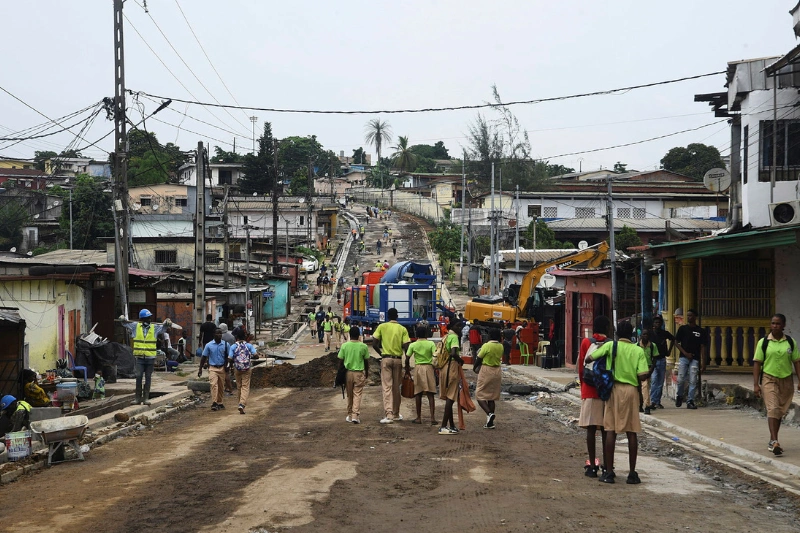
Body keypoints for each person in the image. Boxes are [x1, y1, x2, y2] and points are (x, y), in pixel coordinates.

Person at [586, 320, 648, 485]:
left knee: (611, 430)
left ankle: (609, 472)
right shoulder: (638, 350)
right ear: (632, 334)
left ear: (617, 334)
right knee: (632, 431)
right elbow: (643, 375)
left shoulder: (610, 346)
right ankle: (632, 473)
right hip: (631, 391)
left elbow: (589, 359)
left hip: (613, 389)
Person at [753, 313, 800, 456]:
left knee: (779, 411)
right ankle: (774, 441)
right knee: (772, 408)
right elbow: (757, 363)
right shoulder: (764, 342)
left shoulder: (790, 342)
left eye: (778, 324)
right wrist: (756, 384)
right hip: (769, 379)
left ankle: (772, 440)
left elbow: (796, 361)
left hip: (786, 380)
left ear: (784, 325)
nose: (775, 326)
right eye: (773, 323)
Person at [577, 315, 609, 477]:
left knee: (591, 429)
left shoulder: (586, 343)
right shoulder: (611, 344)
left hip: (589, 390)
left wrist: (583, 386)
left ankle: (592, 466)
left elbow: (581, 367)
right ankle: (606, 465)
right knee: (605, 430)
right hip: (605, 392)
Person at [372, 308, 411, 424]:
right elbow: (406, 346)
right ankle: (396, 413)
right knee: (396, 387)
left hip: (386, 359)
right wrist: (407, 361)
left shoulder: (382, 327)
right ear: (397, 316)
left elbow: (374, 343)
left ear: (388, 316)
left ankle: (388, 415)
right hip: (398, 360)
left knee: (387, 387)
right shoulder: (402, 329)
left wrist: (381, 354)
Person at [124, 309, 169, 405]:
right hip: (140, 357)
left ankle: (145, 398)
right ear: (143, 319)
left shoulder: (155, 327)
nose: (150, 319)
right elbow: (125, 324)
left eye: (150, 317)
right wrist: (122, 319)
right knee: (139, 376)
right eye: (148, 317)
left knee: (148, 377)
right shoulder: (135, 326)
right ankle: (137, 398)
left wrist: (167, 323)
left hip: (150, 357)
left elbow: (164, 328)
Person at [675, 309, 708, 410]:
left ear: (695, 317)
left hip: (695, 358)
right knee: (680, 379)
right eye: (687, 315)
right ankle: (679, 395)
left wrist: (703, 362)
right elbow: (676, 342)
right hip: (684, 357)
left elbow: (702, 347)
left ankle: (690, 400)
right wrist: (685, 353)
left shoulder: (700, 331)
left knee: (693, 380)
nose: (689, 317)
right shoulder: (683, 329)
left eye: (691, 315)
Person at [405, 325, 437, 426]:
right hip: (429, 368)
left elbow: (407, 358)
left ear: (416, 334)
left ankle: (419, 417)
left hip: (418, 368)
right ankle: (432, 417)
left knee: (418, 393)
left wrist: (407, 369)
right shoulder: (431, 343)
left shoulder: (413, 345)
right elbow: (435, 355)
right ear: (426, 334)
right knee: (430, 393)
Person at [339, 327, 370, 424]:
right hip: (359, 373)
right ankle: (355, 415)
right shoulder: (363, 346)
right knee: (357, 394)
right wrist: (367, 371)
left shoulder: (344, 346)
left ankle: (349, 414)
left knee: (349, 394)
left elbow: (340, 360)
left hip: (347, 373)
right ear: (358, 335)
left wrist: (339, 373)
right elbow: (366, 361)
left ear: (350, 334)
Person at [438, 321, 463, 435]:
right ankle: (443, 426)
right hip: (451, 367)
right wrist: (460, 360)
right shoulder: (454, 337)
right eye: (458, 326)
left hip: (444, 367)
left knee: (449, 396)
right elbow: (453, 353)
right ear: (452, 326)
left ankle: (451, 425)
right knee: (451, 397)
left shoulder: (446, 336)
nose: (460, 328)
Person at [476, 328, 504, 429]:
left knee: (479, 395)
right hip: (497, 371)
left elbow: (479, 357)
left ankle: (489, 414)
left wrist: (475, 367)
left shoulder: (486, 345)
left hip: (486, 370)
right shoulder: (501, 346)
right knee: (491, 397)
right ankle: (490, 422)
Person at [200, 328, 230, 411]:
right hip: (213, 368)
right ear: (214, 334)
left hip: (222, 368)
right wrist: (200, 369)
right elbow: (204, 357)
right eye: (217, 333)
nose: (219, 335)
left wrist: (228, 366)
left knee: (221, 386)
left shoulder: (225, 345)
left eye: (220, 333)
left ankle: (220, 402)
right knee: (214, 385)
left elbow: (229, 357)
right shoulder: (209, 345)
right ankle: (214, 402)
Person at [229, 328, 256, 415]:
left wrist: (232, 365)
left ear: (236, 337)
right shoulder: (249, 346)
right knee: (245, 386)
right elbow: (256, 355)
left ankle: (240, 404)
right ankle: (242, 404)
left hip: (237, 368)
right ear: (244, 337)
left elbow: (229, 358)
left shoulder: (233, 346)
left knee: (239, 386)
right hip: (247, 368)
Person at [649, 315, 674, 409]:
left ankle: (657, 401)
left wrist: (669, 351)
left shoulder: (664, 333)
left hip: (662, 359)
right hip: (653, 360)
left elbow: (673, 339)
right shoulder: (650, 334)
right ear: (653, 324)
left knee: (660, 382)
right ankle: (652, 401)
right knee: (654, 380)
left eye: (659, 322)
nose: (657, 324)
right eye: (656, 322)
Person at [638, 328, 656, 415]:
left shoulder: (652, 346)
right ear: (641, 335)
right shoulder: (636, 346)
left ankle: (647, 405)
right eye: (644, 334)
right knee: (638, 388)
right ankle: (640, 404)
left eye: (647, 335)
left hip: (647, 368)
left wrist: (650, 371)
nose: (645, 336)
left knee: (645, 387)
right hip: (638, 368)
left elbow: (654, 359)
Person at [219, 324, 236, 395]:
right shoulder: (232, 336)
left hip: (224, 357)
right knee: (229, 371)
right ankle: (226, 387)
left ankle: (230, 388)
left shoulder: (221, 337)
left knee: (226, 373)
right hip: (231, 356)